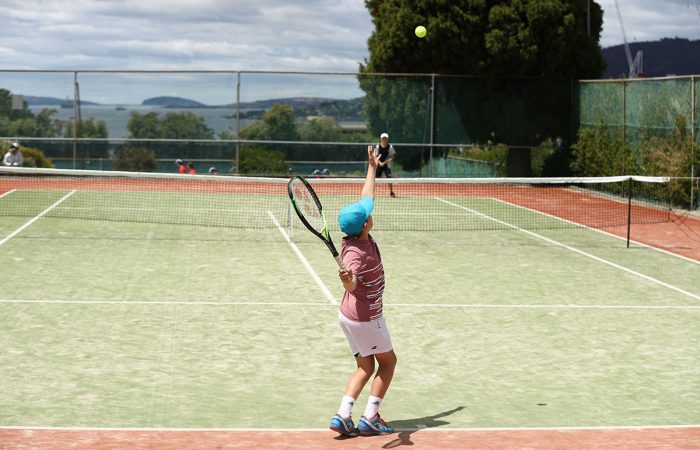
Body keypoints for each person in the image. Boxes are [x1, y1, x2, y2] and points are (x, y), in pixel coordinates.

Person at [329, 145, 397, 437]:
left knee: (364, 367)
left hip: (348, 316)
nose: (370, 213)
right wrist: (347, 280)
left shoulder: (353, 235)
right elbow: (352, 281)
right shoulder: (357, 254)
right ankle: (371, 417)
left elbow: (366, 197)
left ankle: (343, 415)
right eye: (367, 215)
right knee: (388, 363)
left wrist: (372, 167)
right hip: (366, 317)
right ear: (364, 224)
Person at [373, 133, 396, 197]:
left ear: (387, 139)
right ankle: (372, 191)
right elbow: (375, 155)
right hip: (379, 165)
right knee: (374, 178)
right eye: (383, 138)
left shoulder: (390, 147)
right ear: (380, 139)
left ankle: (391, 192)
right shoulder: (377, 146)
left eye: (385, 138)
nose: (384, 139)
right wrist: (380, 162)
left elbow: (392, 156)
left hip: (387, 166)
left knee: (389, 179)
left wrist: (384, 162)